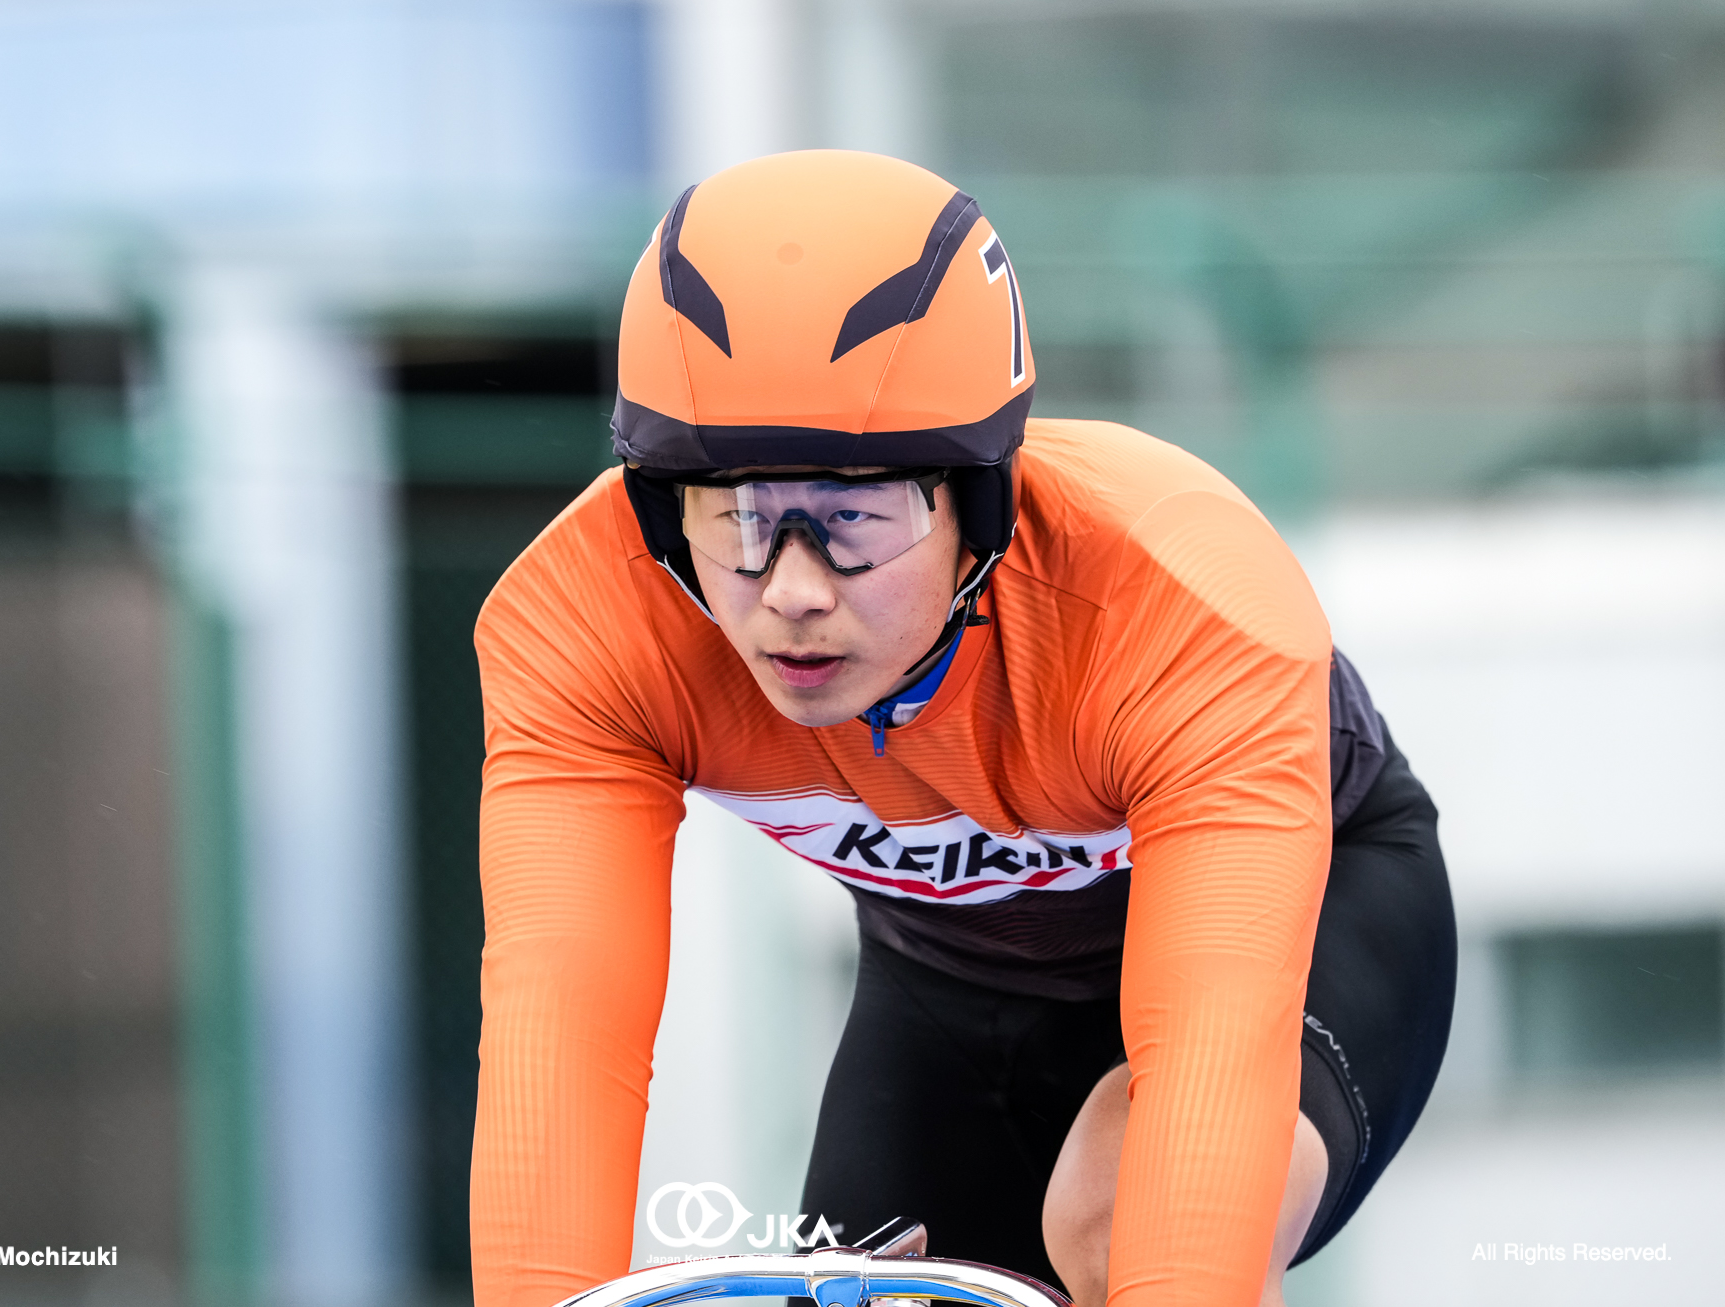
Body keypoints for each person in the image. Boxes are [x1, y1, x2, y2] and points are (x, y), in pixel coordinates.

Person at [472, 150, 1456, 1307]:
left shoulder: (1175, 602)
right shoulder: (584, 622)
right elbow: (561, 1054)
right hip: (947, 969)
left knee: (1118, 1215)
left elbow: (1207, 1081)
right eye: (734, 511)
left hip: (1301, 935)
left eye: (852, 514)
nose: (789, 587)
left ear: (982, 503)